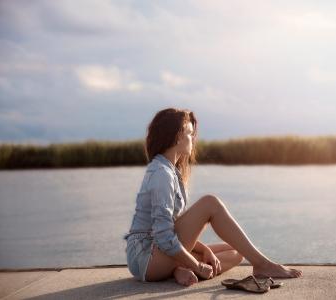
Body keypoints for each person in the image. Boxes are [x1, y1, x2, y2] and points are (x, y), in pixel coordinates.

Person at [124, 107, 303, 286]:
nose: (193, 139)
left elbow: (171, 230)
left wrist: (205, 250)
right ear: (177, 136)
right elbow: (163, 235)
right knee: (210, 203)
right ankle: (263, 264)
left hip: (156, 255)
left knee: (236, 252)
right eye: (190, 133)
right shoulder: (162, 173)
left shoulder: (170, 170)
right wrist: (198, 264)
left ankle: (179, 270)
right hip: (146, 259)